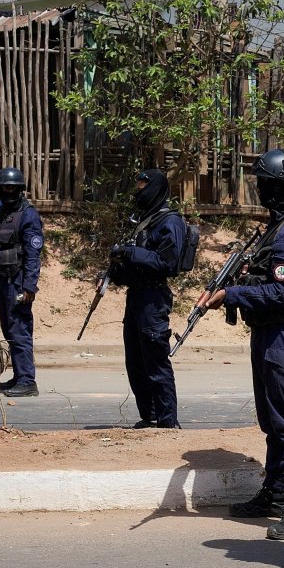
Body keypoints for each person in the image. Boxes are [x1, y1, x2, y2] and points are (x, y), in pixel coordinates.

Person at [198, 150, 284, 540]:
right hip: (269, 333)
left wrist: (232, 294)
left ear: (280, 186)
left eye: (265, 183)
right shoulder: (278, 225)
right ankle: (278, 492)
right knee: (273, 422)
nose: (261, 189)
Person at [108, 169, 186, 429]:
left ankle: (167, 421)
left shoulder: (170, 222)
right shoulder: (144, 221)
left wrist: (130, 253)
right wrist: (117, 267)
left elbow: (167, 263)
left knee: (155, 360)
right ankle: (149, 415)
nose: (138, 192)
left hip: (154, 298)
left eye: (143, 187)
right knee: (135, 360)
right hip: (137, 295)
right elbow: (137, 261)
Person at [0, 167, 43, 397]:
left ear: (20, 189)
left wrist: (29, 287)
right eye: (5, 187)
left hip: (17, 281)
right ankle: (18, 376)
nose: (9, 191)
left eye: (13, 188)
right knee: (9, 329)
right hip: (1, 279)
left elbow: (33, 256)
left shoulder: (28, 215)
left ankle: (27, 380)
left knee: (20, 330)